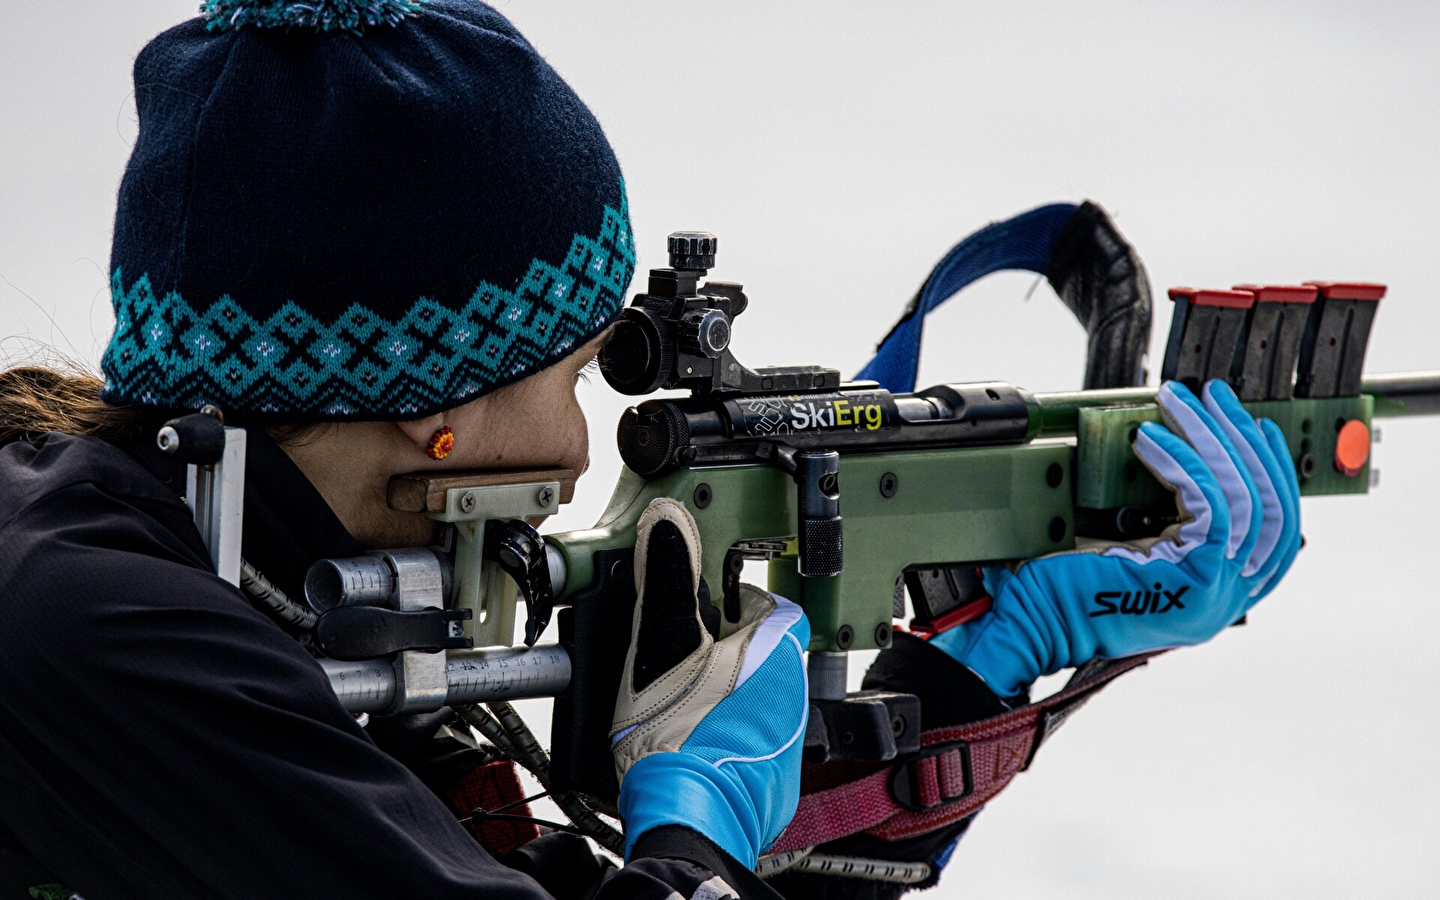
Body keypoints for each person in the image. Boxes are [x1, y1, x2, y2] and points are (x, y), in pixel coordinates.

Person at [0, 2, 1300, 898]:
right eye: (572, 378)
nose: (578, 452)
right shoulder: (96, 632)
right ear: (424, 398)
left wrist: (976, 671)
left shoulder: (228, 574)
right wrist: (693, 824)